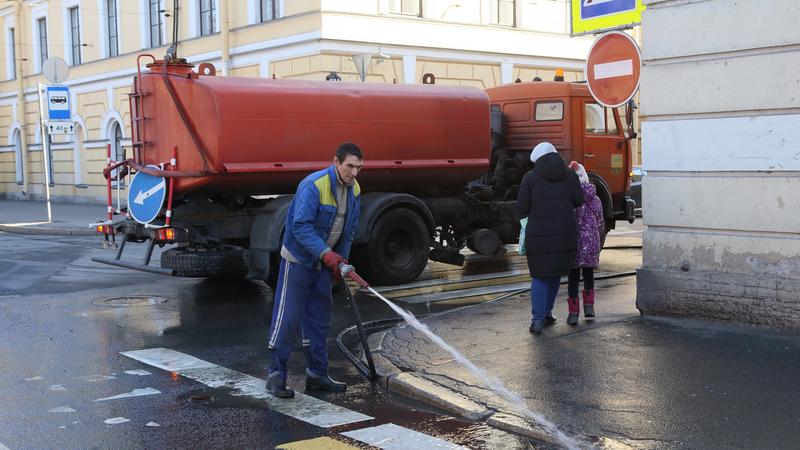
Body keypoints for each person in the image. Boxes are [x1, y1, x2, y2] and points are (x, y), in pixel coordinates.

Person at [266, 142, 364, 398]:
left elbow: (349, 230)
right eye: (349, 166)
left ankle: (317, 374)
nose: (353, 172)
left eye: (358, 167)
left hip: (324, 263)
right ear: (336, 162)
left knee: (319, 321)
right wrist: (327, 254)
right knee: (288, 319)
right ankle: (276, 375)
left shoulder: (354, 191)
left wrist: (340, 263)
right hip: (299, 260)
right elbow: (300, 228)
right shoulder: (314, 185)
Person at [517, 142, 584, 335]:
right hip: (565, 232)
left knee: (540, 275)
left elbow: (522, 207)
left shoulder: (530, 178)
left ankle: (537, 320)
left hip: (539, 233)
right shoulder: (569, 175)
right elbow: (578, 200)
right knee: (555, 273)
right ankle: (547, 313)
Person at [566, 161, 603, 325]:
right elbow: (601, 222)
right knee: (588, 275)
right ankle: (589, 308)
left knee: (573, 277)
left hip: (574, 244)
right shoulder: (595, 199)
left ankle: (573, 314)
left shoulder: (570, 199)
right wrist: (597, 239)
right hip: (591, 243)